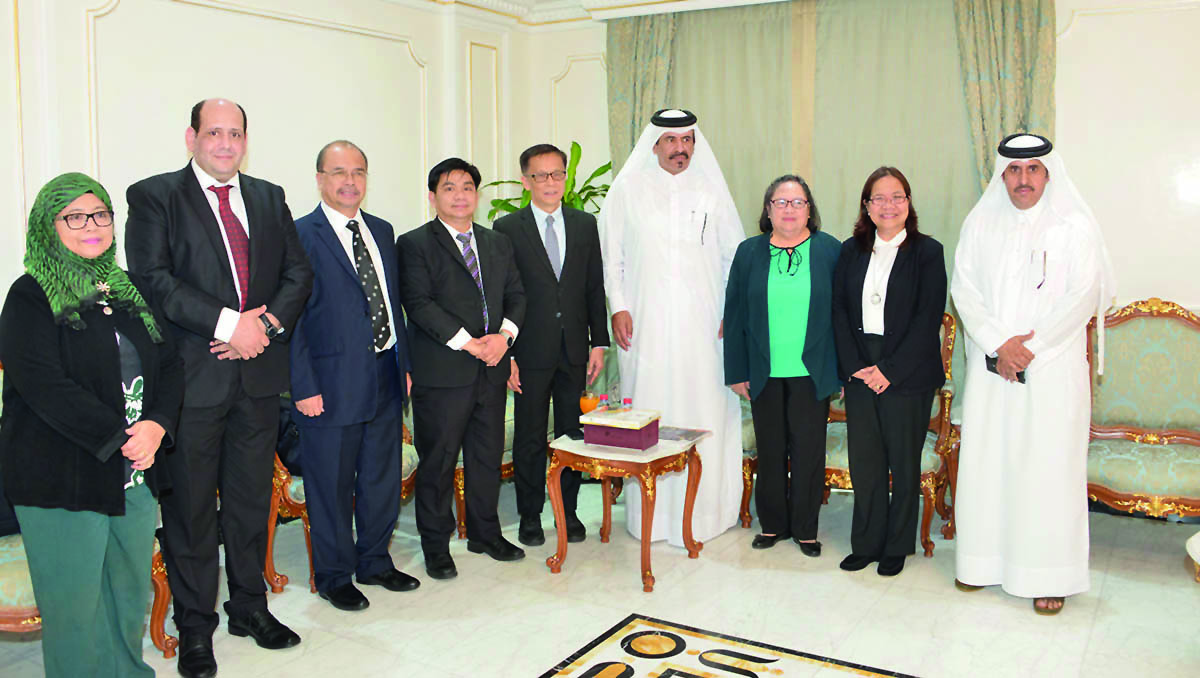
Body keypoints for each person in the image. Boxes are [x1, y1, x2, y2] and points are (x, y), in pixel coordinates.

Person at [125, 98, 313, 677]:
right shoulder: (155, 196)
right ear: (192, 137)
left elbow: (297, 274)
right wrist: (233, 325)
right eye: (214, 133)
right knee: (191, 514)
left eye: (235, 133)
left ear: (245, 140)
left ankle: (249, 609)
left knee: (251, 504)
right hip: (190, 384)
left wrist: (264, 327)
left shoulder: (267, 196)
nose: (225, 143)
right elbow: (153, 281)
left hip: (256, 382)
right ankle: (196, 629)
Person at [0, 173, 184, 677]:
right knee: (76, 612)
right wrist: (127, 437)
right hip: (63, 476)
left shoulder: (127, 288)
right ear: (47, 225)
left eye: (100, 214)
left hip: (137, 471)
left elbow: (170, 365)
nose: (91, 226)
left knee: (127, 598)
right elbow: (43, 386)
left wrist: (158, 426)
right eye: (75, 216)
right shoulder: (30, 295)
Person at [951, 133, 1115, 615]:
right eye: (1014, 171)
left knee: (1047, 469)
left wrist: (1029, 349)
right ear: (1002, 175)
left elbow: (1083, 297)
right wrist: (1000, 345)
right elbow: (964, 290)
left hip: (1053, 371)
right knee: (989, 462)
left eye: (1033, 170)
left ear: (1048, 174)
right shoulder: (979, 224)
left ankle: (1049, 575)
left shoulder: (1075, 228)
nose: (1023, 180)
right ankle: (981, 563)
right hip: (993, 368)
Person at [600, 109, 745, 545]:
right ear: (655, 144)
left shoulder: (711, 191)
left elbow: (731, 259)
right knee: (650, 410)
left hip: (704, 329)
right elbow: (613, 258)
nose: (680, 149)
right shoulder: (627, 190)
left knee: (704, 410)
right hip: (644, 325)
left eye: (687, 141)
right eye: (671, 141)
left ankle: (707, 513)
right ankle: (652, 517)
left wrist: (729, 313)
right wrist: (619, 306)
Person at [288, 140, 419, 612]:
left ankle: (375, 561)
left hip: (384, 373)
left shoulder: (382, 231)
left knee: (381, 478)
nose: (350, 181)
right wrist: (303, 386)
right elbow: (293, 318)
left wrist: (403, 366)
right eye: (338, 172)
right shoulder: (300, 235)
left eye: (358, 172)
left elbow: (392, 304)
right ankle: (334, 574)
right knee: (332, 484)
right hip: (328, 385)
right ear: (320, 178)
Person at [397, 157, 527, 580]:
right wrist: (470, 343)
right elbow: (418, 304)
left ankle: (485, 533)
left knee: (486, 457)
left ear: (477, 194)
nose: (459, 195)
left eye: (467, 186)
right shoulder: (414, 244)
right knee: (438, 462)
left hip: (491, 368)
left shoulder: (496, 243)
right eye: (449, 187)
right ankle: (436, 545)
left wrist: (503, 339)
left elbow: (516, 296)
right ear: (433, 195)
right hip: (443, 373)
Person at [832, 167, 947, 576]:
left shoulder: (928, 252)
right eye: (878, 198)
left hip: (908, 372)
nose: (888, 205)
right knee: (866, 461)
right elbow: (840, 312)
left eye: (897, 197)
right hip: (861, 368)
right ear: (866, 206)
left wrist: (889, 371)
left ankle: (898, 545)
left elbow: (926, 318)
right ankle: (866, 542)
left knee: (903, 460)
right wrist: (856, 369)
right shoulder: (851, 250)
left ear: (909, 202)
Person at [494, 143, 609, 547]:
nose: (549, 182)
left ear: (566, 177)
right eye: (540, 175)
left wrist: (599, 343)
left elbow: (595, 287)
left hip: (575, 349)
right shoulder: (508, 229)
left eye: (557, 174)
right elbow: (501, 295)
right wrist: (506, 354)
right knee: (528, 437)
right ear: (526, 181)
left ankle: (570, 512)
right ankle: (529, 515)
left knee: (571, 435)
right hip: (528, 352)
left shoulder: (584, 225)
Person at [723, 175, 841, 557]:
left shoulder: (830, 251)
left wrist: (841, 370)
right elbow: (735, 313)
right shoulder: (748, 252)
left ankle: (806, 530)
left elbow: (843, 315)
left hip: (812, 370)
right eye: (781, 202)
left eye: (797, 202)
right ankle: (772, 525)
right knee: (770, 450)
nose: (789, 210)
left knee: (808, 451)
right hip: (763, 370)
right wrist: (735, 370)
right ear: (768, 209)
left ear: (810, 209)